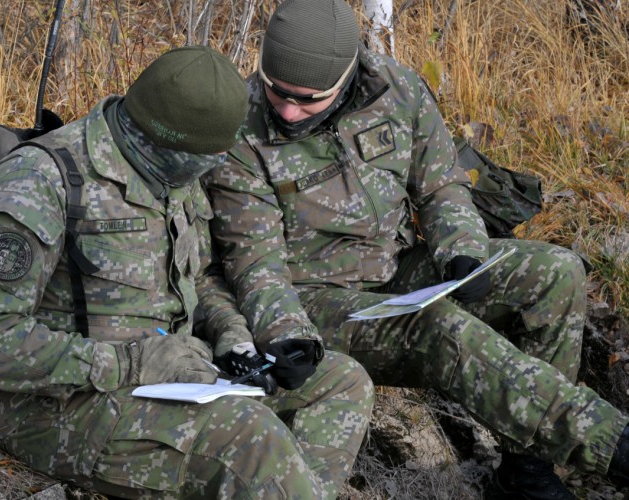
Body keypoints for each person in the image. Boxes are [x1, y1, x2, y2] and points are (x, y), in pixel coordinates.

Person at [200, 0, 629, 498]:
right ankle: (610, 444)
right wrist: (285, 333)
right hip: (312, 301)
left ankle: (527, 473)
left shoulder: (398, 90)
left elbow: (441, 186)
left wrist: (462, 251)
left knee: (555, 272)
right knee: (435, 327)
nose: (289, 111)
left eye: (308, 99)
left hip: (398, 266)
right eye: (278, 92)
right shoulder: (241, 132)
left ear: (344, 78)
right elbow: (255, 261)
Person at [0, 45, 373, 498]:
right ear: (164, 143)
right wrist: (133, 363)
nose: (213, 169)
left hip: (181, 374)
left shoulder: (173, 172)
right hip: (61, 406)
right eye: (204, 161)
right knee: (249, 438)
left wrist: (233, 334)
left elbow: (197, 277)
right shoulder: (39, 183)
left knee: (342, 382)